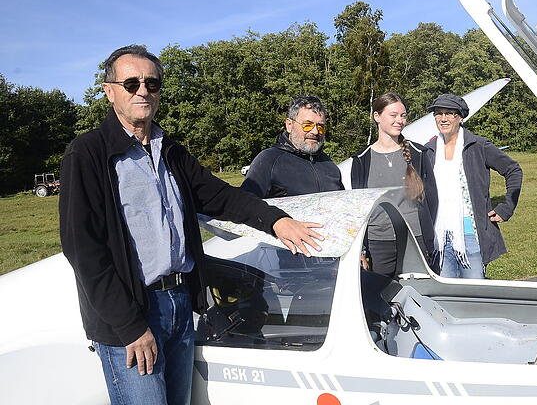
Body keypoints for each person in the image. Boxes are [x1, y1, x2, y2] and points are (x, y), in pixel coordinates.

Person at [59, 45, 322, 405]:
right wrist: (130, 326)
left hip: (179, 303)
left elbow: (220, 196)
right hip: (132, 313)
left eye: (152, 84)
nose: (143, 91)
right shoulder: (87, 154)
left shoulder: (171, 151)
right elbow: (84, 250)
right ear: (109, 91)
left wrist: (276, 220)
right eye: (131, 83)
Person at [424, 93, 522, 279]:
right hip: (439, 238)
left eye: (449, 113)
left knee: (474, 292)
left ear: (460, 117)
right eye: (438, 113)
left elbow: (513, 169)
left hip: (471, 235)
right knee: (447, 295)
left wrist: (507, 207)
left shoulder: (477, 145)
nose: (443, 118)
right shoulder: (428, 149)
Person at [350, 92, 438, 277]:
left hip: (415, 239)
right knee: (382, 297)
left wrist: (428, 237)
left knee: (418, 296)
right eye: (393, 115)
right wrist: (362, 249)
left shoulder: (418, 154)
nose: (400, 120)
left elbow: (432, 199)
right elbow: (358, 207)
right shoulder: (361, 159)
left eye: (403, 115)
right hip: (378, 241)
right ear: (377, 116)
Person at [241, 95, 343, 198]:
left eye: (320, 127)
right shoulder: (268, 161)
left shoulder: (329, 165)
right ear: (289, 125)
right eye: (307, 125)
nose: (315, 132)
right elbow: (245, 205)